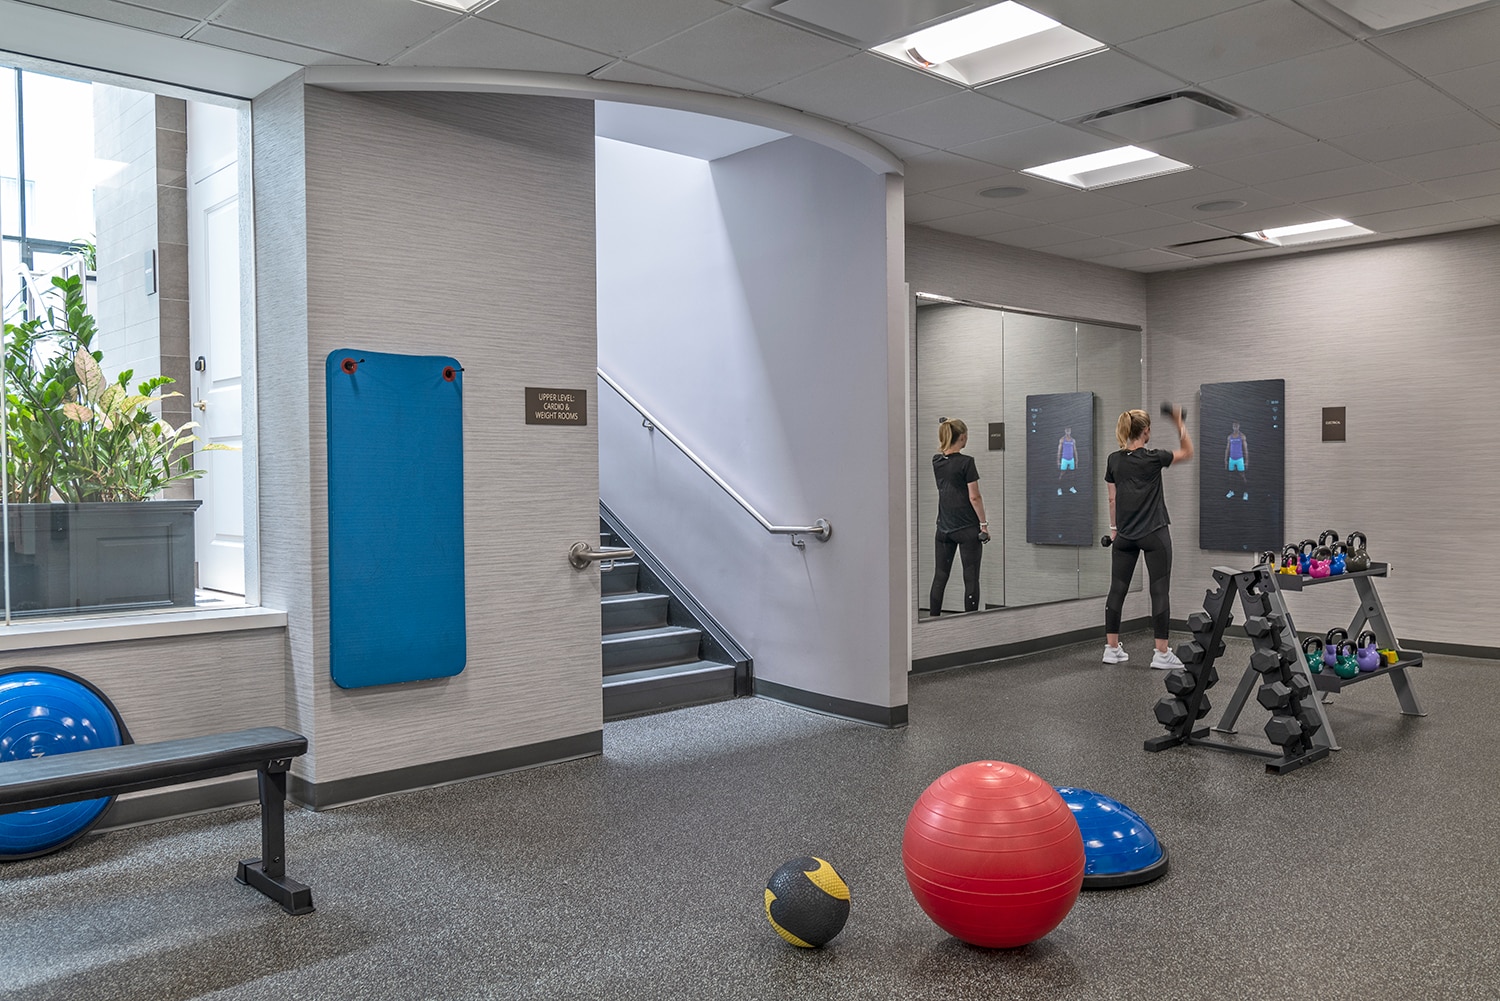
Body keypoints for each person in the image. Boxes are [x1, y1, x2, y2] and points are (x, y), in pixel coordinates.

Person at [1102, 406, 1193, 667]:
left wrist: (1114, 530)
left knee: (1117, 589)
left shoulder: (1114, 460)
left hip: (1125, 536)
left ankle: (1111, 649)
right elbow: (1187, 451)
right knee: (1159, 590)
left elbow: (1112, 499)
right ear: (1145, 432)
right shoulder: (1154, 458)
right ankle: (1162, 653)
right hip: (1154, 534)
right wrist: (1179, 422)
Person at [930, 417, 989, 616]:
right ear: (962, 437)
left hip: (943, 529)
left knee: (940, 577)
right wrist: (983, 524)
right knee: (971, 579)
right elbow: (975, 497)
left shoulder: (936, 461)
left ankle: (932, 619)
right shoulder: (966, 463)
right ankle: (971, 624)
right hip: (967, 529)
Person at [1225, 422, 1249, 500]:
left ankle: (1245, 492)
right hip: (1231, 459)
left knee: (1242, 476)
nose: (1235, 427)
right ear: (1232, 427)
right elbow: (1227, 449)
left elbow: (1245, 449)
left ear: (1239, 426)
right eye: (1234, 426)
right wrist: (1225, 460)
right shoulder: (1229, 437)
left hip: (1239, 459)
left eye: (1236, 426)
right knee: (1231, 476)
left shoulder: (1242, 436)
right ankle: (1231, 491)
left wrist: (1246, 461)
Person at [1057, 427, 1078, 495]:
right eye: (1067, 430)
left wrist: (1076, 460)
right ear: (1065, 431)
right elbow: (1059, 450)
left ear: (1070, 431)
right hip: (1064, 459)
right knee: (1062, 474)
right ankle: (1059, 488)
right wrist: (1058, 461)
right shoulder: (1062, 440)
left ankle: (1071, 487)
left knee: (1072, 474)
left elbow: (1075, 450)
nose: (1068, 432)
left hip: (1071, 459)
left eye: (1069, 430)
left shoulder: (1073, 440)